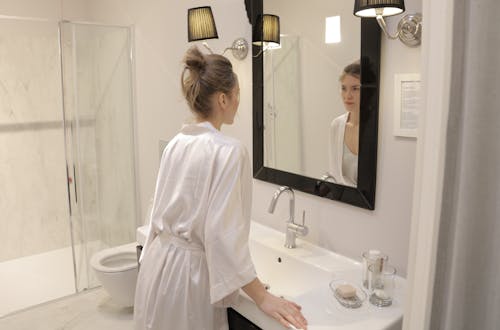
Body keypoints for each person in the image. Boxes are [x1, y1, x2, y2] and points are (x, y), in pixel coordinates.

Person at [133, 46, 308, 330]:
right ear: (223, 99)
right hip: (190, 279)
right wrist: (261, 296)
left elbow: (158, 215)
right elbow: (222, 236)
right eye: (237, 93)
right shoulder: (229, 151)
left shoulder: (176, 143)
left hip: (158, 267)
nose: (239, 101)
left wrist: (245, 280)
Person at [327, 61, 361, 187]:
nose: (348, 96)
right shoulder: (336, 125)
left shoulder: (376, 130)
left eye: (355, 89)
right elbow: (334, 172)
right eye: (344, 88)